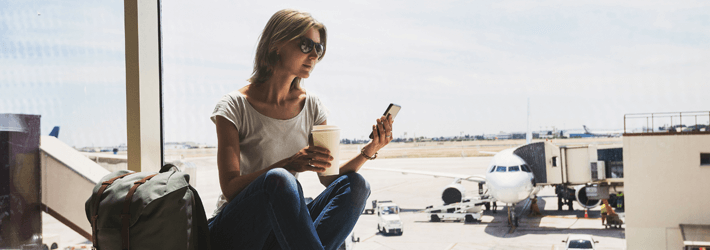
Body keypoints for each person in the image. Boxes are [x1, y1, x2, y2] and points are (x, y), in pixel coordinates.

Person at [207, 9, 395, 250]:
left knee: (356, 185)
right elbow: (231, 188)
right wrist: (289, 164)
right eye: (306, 46)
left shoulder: (312, 106)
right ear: (276, 45)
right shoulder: (233, 106)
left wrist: (370, 150)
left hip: (280, 230)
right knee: (280, 179)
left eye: (319, 48)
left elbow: (329, 177)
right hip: (235, 230)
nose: (314, 55)